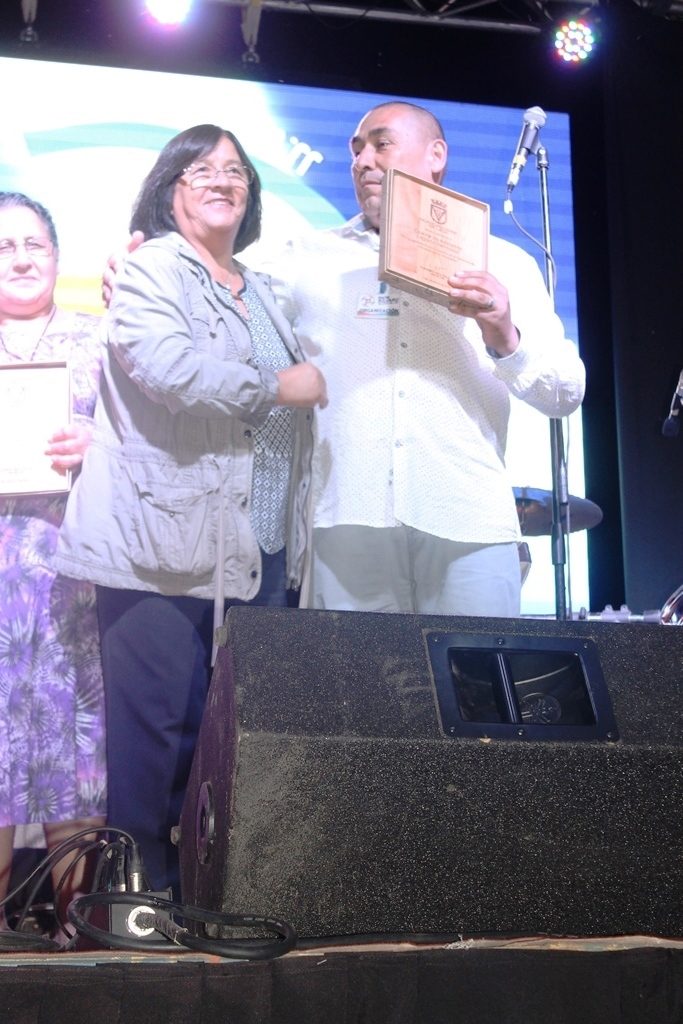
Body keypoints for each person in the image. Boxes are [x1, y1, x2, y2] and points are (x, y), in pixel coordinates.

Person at [54, 125, 327, 895]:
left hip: (258, 549)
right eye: (201, 169)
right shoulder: (152, 269)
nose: (222, 180)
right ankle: (138, 907)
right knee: (157, 742)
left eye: (236, 170)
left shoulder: (260, 287)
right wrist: (279, 386)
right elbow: (169, 370)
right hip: (162, 544)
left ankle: (209, 899)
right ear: (168, 189)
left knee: (228, 744)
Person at [263, 100, 586, 616]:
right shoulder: (303, 259)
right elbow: (240, 338)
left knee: (475, 670)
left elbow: (566, 392)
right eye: (356, 150)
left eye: (381, 144)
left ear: (436, 155)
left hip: (469, 520)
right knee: (354, 673)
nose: (363, 161)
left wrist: (504, 334)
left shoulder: (504, 262)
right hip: (346, 519)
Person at [0, 192, 106, 933]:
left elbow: (144, 447)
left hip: (76, 578)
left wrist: (99, 446)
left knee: (77, 751)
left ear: (58, 256)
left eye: (33, 243)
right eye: (2, 246)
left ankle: (77, 930)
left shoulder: (98, 342)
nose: (20, 257)